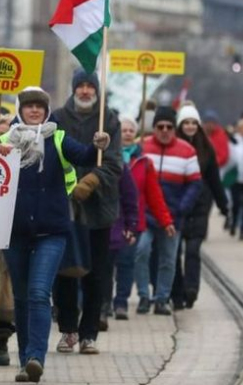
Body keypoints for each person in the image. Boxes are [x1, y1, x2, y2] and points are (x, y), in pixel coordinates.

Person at [0, 86, 109, 383]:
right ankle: (25, 361)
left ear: (46, 111)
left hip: (52, 232)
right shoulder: (5, 142)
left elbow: (84, 154)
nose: (34, 111)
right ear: (20, 110)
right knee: (21, 298)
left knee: (37, 293)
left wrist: (99, 144)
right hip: (14, 232)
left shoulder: (57, 137)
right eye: (28, 106)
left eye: (39, 106)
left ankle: (36, 357)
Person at [52, 69, 122, 355]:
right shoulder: (57, 118)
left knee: (96, 274)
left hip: (98, 210)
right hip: (65, 207)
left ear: (96, 90)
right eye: (79, 85)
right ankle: (68, 330)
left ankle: (88, 333)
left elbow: (115, 162)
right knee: (65, 271)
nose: (84, 91)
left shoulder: (110, 120)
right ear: (73, 89)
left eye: (89, 86)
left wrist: (91, 181)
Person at [134, 107, 202, 315]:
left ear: (175, 128)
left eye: (169, 127)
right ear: (154, 128)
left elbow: (195, 184)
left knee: (168, 258)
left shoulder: (187, 151)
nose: (164, 130)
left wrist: (182, 208)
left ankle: (162, 298)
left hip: (173, 216)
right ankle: (144, 295)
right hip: (145, 214)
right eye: (160, 126)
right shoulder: (142, 147)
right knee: (141, 252)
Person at [114, 117, 173, 320]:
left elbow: (154, 195)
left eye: (131, 130)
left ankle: (121, 302)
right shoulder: (107, 156)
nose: (128, 133)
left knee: (127, 261)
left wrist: (166, 221)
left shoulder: (144, 162)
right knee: (106, 264)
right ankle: (103, 303)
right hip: (110, 219)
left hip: (133, 221)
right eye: (124, 130)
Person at [172, 105, 228, 309]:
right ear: (180, 125)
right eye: (186, 123)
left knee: (194, 249)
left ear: (198, 125)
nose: (189, 126)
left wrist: (223, 205)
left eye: (193, 123)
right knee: (175, 251)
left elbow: (214, 180)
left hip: (200, 206)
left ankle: (191, 288)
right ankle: (176, 292)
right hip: (177, 204)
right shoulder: (173, 145)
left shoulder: (206, 148)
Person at [100, 162, 138, 331]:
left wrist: (130, 225)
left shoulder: (119, 167)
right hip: (83, 227)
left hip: (111, 229)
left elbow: (130, 197)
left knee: (106, 272)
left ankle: (103, 308)